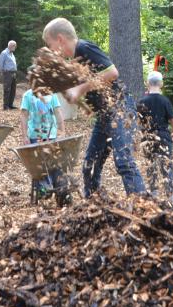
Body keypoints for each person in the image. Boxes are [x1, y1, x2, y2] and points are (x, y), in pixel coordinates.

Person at [42, 17, 146, 198]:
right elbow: (94, 84)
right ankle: (93, 205)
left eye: (50, 45)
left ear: (60, 39)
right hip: (105, 115)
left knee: (124, 162)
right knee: (90, 164)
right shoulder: (75, 60)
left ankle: (142, 207)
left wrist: (79, 89)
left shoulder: (83, 47)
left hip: (120, 108)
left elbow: (112, 72)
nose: (52, 50)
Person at [19, 77, 66, 197]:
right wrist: (25, 136)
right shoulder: (28, 95)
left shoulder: (52, 94)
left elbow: (58, 112)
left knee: (54, 162)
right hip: (35, 136)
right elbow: (24, 115)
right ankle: (44, 187)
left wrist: (62, 131)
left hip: (52, 135)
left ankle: (60, 188)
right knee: (39, 163)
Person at [137, 71, 173, 201]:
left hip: (148, 138)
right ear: (161, 84)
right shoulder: (165, 101)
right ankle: (172, 197)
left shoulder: (142, 101)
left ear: (147, 83)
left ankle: (153, 194)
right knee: (167, 165)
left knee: (151, 165)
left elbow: (137, 122)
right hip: (163, 138)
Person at [0, 40, 18, 110]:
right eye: (14, 46)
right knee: (7, 89)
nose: (15, 47)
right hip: (7, 73)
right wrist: (2, 72)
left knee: (13, 89)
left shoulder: (12, 54)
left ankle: (10, 105)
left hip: (14, 73)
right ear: (10, 46)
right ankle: (5, 106)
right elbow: (1, 63)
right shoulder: (4, 53)